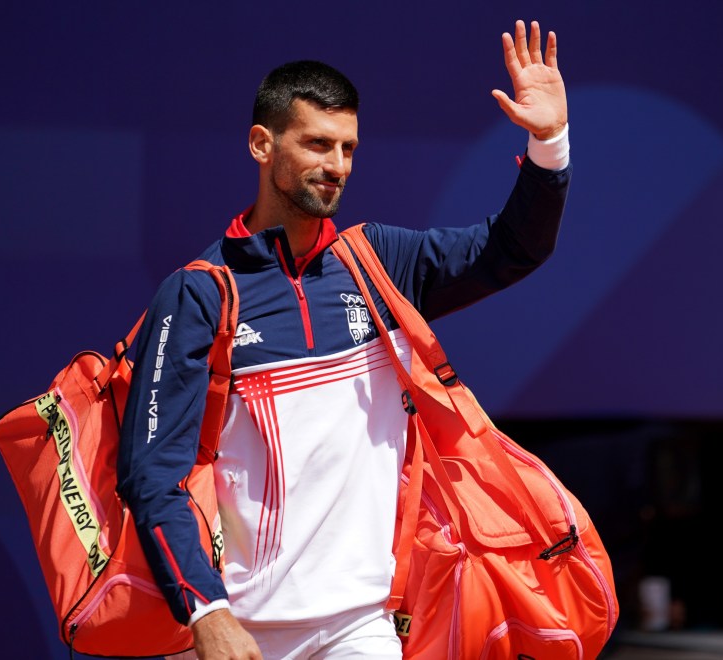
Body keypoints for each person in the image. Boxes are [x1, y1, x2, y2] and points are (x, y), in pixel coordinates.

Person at [117, 19, 570, 660]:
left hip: (363, 625)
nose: (336, 167)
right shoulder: (201, 293)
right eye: (317, 144)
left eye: (349, 149)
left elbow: (512, 249)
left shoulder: (379, 262)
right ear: (261, 145)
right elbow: (150, 475)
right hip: (240, 632)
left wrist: (549, 141)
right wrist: (206, 613)